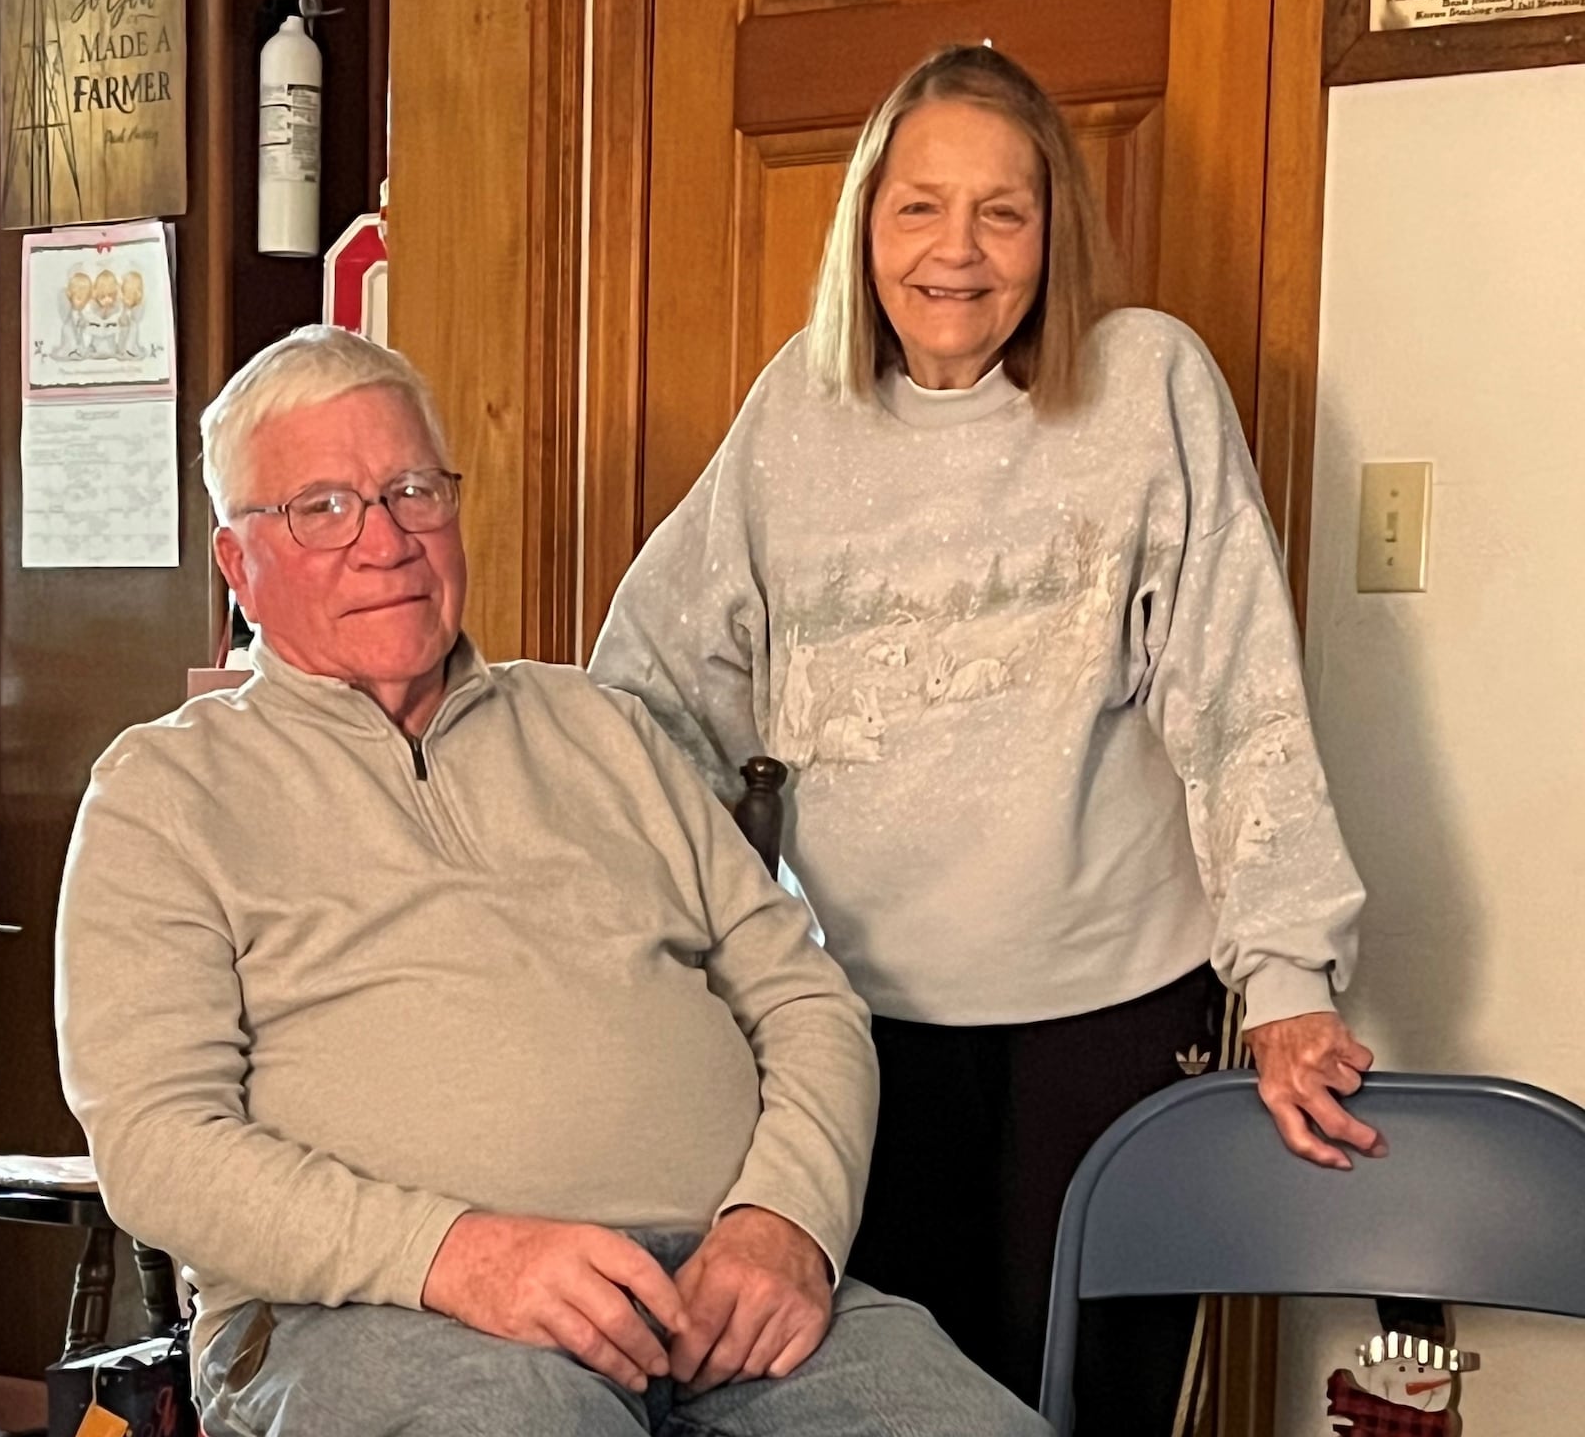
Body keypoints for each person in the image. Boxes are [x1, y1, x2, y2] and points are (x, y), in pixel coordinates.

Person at [55, 326, 1050, 1437]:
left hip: (725, 1300)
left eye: (412, 491)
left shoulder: (601, 726)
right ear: (240, 565)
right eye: (322, 509)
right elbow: (154, 1145)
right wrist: (455, 1258)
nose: (384, 540)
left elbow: (804, 997)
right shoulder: (166, 791)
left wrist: (786, 1221)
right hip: (370, 1314)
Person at [589, 44, 1384, 1430]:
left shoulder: (1147, 385)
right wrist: (619, 926)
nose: (956, 251)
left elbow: (1238, 691)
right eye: (918, 207)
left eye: (1001, 212)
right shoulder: (798, 411)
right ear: (864, 225)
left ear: (1052, 232)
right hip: (856, 1024)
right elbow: (648, 687)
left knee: (1090, 1405)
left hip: (1111, 1008)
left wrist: (1287, 976)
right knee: (882, 1400)